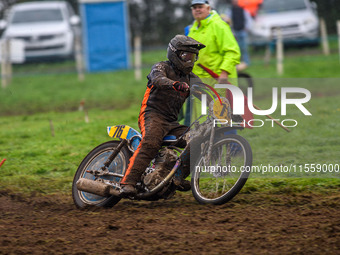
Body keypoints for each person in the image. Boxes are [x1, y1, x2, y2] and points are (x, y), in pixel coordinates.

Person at [120, 35, 206, 196]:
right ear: (174, 53)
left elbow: (207, 95)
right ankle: (128, 182)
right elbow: (157, 79)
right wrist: (174, 84)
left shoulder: (191, 78)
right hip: (152, 115)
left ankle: (176, 178)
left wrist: (226, 108)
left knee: (198, 138)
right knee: (151, 142)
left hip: (172, 122)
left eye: (193, 57)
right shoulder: (161, 67)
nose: (190, 60)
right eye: (186, 56)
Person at [188, 0, 241, 85]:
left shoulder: (219, 26)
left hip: (219, 82)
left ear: (208, 8)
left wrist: (224, 72)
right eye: (194, 8)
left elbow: (232, 52)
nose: (197, 10)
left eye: (200, 7)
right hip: (200, 84)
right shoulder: (192, 30)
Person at [226, 0, 253, 67]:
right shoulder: (230, 11)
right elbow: (227, 21)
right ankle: (238, 62)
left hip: (242, 31)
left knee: (244, 48)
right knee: (236, 48)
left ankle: (247, 62)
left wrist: (247, 28)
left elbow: (248, 19)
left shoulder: (242, 10)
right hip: (235, 32)